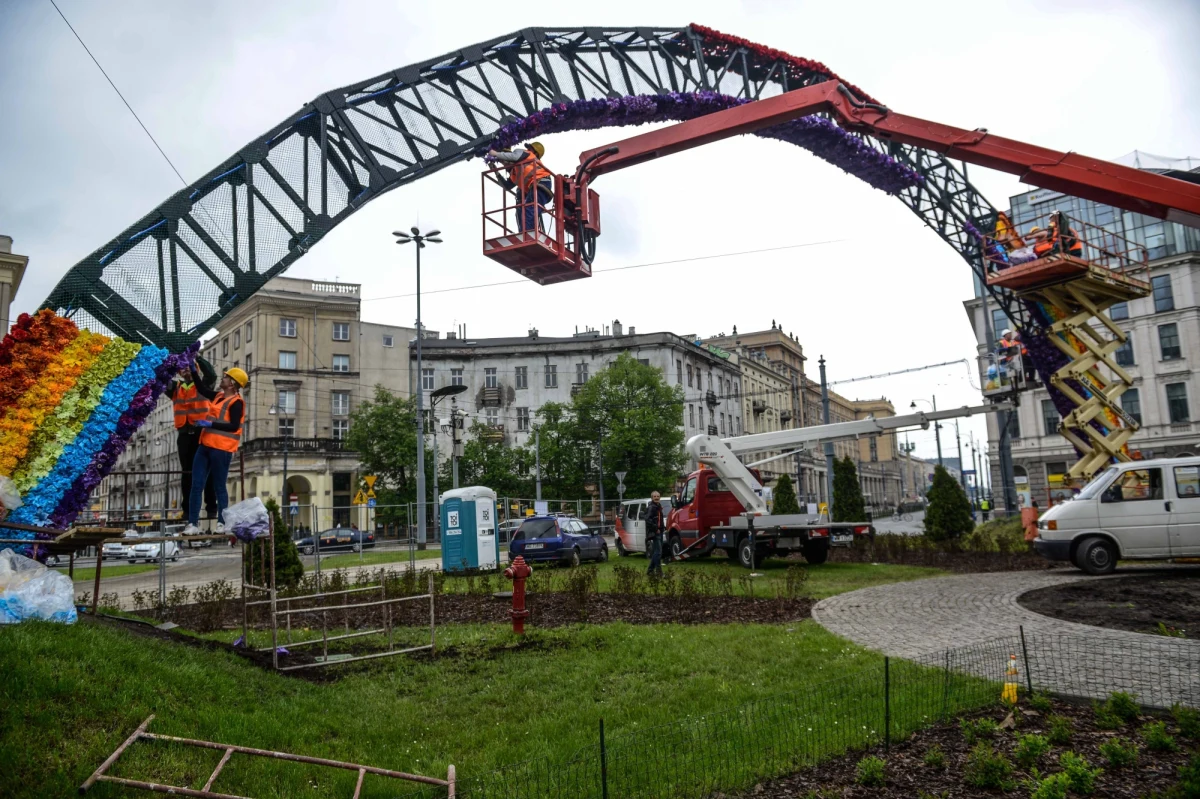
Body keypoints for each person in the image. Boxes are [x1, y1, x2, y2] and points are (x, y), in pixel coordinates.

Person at [180, 367, 248, 535]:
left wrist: (210, 424)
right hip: (205, 446)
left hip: (222, 449)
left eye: (226, 377)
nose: (222, 378)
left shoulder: (236, 402)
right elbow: (202, 389)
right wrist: (194, 370)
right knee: (196, 485)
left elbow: (233, 426)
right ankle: (193, 525)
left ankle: (222, 523)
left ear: (232, 384)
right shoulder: (218, 396)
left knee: (219, 487)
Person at [171, 359, 218, 525]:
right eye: (182, 368)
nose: (186, 371)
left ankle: (211, 507)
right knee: (187, 473)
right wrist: (171, 361)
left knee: (207, 470)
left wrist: (195, 357)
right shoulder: (175, 388)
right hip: (184, 434)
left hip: (202, 432)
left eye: (189, 368)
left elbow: (211, 374)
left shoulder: (203, 385)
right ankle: (188, 510)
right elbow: (159, 378)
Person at [489, 142, 553, 233]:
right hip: (536, 186)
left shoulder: (524, 154)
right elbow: (507, 186)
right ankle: (524, 234)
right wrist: (495, 171)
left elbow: (514, 157)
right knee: (521, 211)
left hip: (542, 183)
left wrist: (495, 154)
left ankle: (528, 236)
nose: (503, 163)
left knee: (529, 210)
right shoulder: (515, 172)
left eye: (504, 159)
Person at [645, 491, 665, 577]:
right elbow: (647, 520)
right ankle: (659, 571)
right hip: (655, 532)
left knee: (657, 552)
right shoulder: (652, 507)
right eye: (655, 496)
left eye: (658, 496)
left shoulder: (658, 506)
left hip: (660, 532)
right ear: (652, 498)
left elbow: (659, 520)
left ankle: (650, 571)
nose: (656, 498)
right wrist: (656, 528)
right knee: (658, 552)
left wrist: (663, 528)